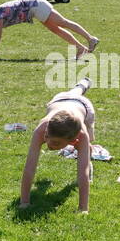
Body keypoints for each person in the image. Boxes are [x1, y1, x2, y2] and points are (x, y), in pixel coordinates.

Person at [18, 78, 95, 213]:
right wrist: (24, 202)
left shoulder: (81, 135)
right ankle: (82, 84)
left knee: (88, 146)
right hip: (59, 100)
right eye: (47, 138)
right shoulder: (42, 130)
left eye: (55, 143)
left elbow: (82, 173)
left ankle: (83, 84)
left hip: (84, 108)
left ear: (73, 139)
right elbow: (29, 167)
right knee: (75, 92)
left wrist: (83, 209)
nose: (48, 143)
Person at [0, 0, 99, 60]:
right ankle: (80, 48)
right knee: (56, 29)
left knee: (63, 22)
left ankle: (90, 39)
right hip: (35, 6)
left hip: (36, 5)